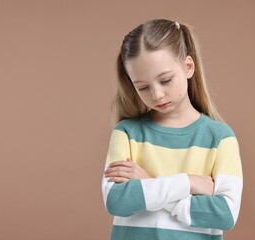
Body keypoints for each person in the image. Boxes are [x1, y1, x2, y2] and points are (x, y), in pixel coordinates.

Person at [102, 19, 243, 240]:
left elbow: (224, 214)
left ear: (188, 67)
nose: (156, 95)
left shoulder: (220, 138)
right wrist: (188, 182)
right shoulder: (126, 134)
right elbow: (117, 201)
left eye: (165, 80)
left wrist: (147, 184)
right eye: (143, 87)